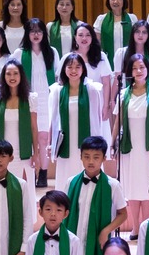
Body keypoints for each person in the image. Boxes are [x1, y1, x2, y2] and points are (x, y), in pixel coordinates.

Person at [45, 55, 108, 193]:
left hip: (86, 142)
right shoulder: (57, 91)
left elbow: (97, 120)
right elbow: (53, 120)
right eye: (70, 67)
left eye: (77, 67)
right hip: (65, 143)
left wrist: (99, 144)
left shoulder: (92, 90)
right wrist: (50, 143)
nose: (73, 70)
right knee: (66, 182)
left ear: (83, 69)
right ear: (64, 69)